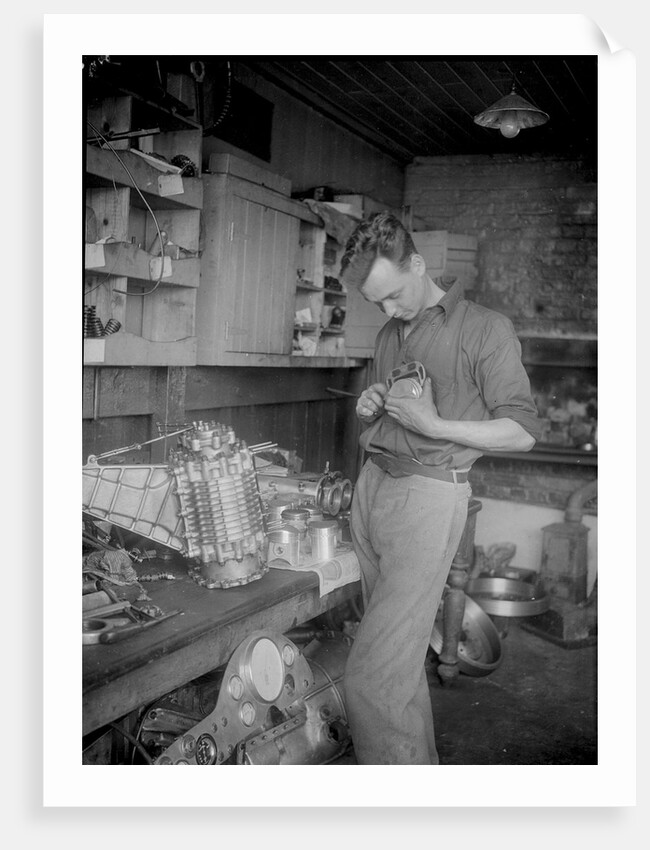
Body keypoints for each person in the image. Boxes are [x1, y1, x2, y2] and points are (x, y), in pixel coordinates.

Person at [339, 211, 542, 764]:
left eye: (394, 295)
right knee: (398, 667)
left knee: (371, 679)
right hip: (373, 489)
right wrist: (372, 405)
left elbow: (522, 431)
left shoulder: (484, 328)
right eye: (376, 302)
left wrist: (435, 425)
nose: (388, 311)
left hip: (427, 499)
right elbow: (390, 407)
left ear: (418, 264)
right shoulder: (390, 333)